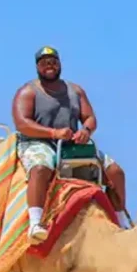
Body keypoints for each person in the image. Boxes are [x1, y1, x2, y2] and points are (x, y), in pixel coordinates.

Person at [11, 46, 129, 243]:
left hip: (70, 144)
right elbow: (22, 123)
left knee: (115, 171)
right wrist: (53, 133)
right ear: (37, 66)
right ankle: (36, 222)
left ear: (59, 64)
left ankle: (120, 221)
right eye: (44, 63)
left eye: (53, 62)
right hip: (38, 142)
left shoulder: (75, 90)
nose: (49, 66)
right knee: (41, 167)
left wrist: (86, 131)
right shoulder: (28, 91)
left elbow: (90, 117)